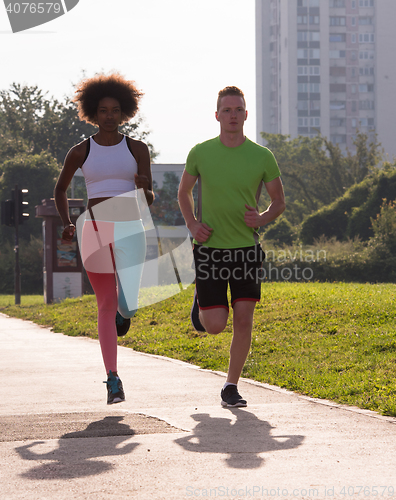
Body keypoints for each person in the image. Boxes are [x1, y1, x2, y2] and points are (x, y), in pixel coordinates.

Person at [178, 86, 285, 408]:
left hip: (246, 249)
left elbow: (279, 202)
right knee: (214, 326)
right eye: (227, 110)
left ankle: (231, 386)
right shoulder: (201, 152)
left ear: (246, 114)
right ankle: (201, 302)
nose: (233, 115)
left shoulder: (262, 156)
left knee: (244, 320)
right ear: (217, 116)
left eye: (238, 109)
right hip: (209, 248)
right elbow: (183, 193)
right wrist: (193, 224)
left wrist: (263, 217)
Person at [54, 73, 154, 404]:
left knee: (127, 303)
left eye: (114, 110)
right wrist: (68, 222)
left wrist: (141, 188)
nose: (109, 115)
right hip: (94, 228)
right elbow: (61, 189)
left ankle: (123, 314)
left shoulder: (138, 149)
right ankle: (112, 378)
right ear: (93, 114)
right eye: (102, 110)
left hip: (130, 227)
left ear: (124, 111)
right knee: (105, 303)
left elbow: (149, 197)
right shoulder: (80, 152)